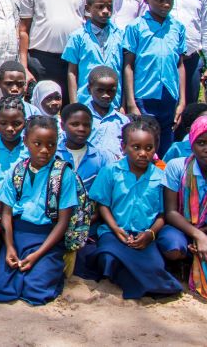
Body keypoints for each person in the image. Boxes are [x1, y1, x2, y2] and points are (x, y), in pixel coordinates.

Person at [78, 118, 182, 299]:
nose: (143, 153)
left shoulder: (160, 177)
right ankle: (139, 281)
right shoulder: (111, 171)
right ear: (124, 147)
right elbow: (103, 205)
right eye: (136, 147)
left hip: (144, 234)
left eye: (148, 148)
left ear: (155, 149)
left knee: (154, 265)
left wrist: (150, 234)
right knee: (107, 258)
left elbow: (162, 214)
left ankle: (143, 280)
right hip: (114, 231)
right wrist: (115, 229)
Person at [0, 116, 79, 306]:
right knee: (3, 285)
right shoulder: (17, 171)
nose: (44, 150)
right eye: (37, 143)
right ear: (26, 141)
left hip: (47, 237)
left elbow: (63, 221)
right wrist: (10, 246)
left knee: (35, 289)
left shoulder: (64, 174)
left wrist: (38, 254)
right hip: (18, 234)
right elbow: (7, 213)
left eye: (51, 145)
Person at [158, 115, 207, 301]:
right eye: (201, 142)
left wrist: (206, 233)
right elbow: (170, 212)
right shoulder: (176, 166)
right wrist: (198, 236)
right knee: (173, 247)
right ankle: (180, 265)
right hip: (180, 226)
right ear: (192, 142)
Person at [123, 0, 187, 158]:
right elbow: (128, 65)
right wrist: (131, 102)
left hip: (169, 95)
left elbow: (180, 64)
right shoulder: (136, 27)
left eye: (170, 0)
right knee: (144, 141)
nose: (166, 4)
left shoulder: (177, 27)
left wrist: (181, 101)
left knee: (166, 141)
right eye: (160, 0)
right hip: (144, 93)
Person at [63, 0, 124, 109]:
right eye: (100, 7)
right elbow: (72, 72)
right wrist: (75, 104)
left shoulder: (121, 35)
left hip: (114, 101)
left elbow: (123, 70)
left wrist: (123, 105)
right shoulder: (78, 36)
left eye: (109, 7)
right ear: (88, 8)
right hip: (86, 101)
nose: (106, 11)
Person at [56, 103, 115, 192]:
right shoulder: (54, 155)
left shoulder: (101, 158)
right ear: (62, 126)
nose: (81, 129)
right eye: (75, 124)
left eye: (86, 125)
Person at [83, 65, 131, 157]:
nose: (106, 95)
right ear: (89, 90)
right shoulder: (81, 117)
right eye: (100, 90)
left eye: (111, 91)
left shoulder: (123, 121)